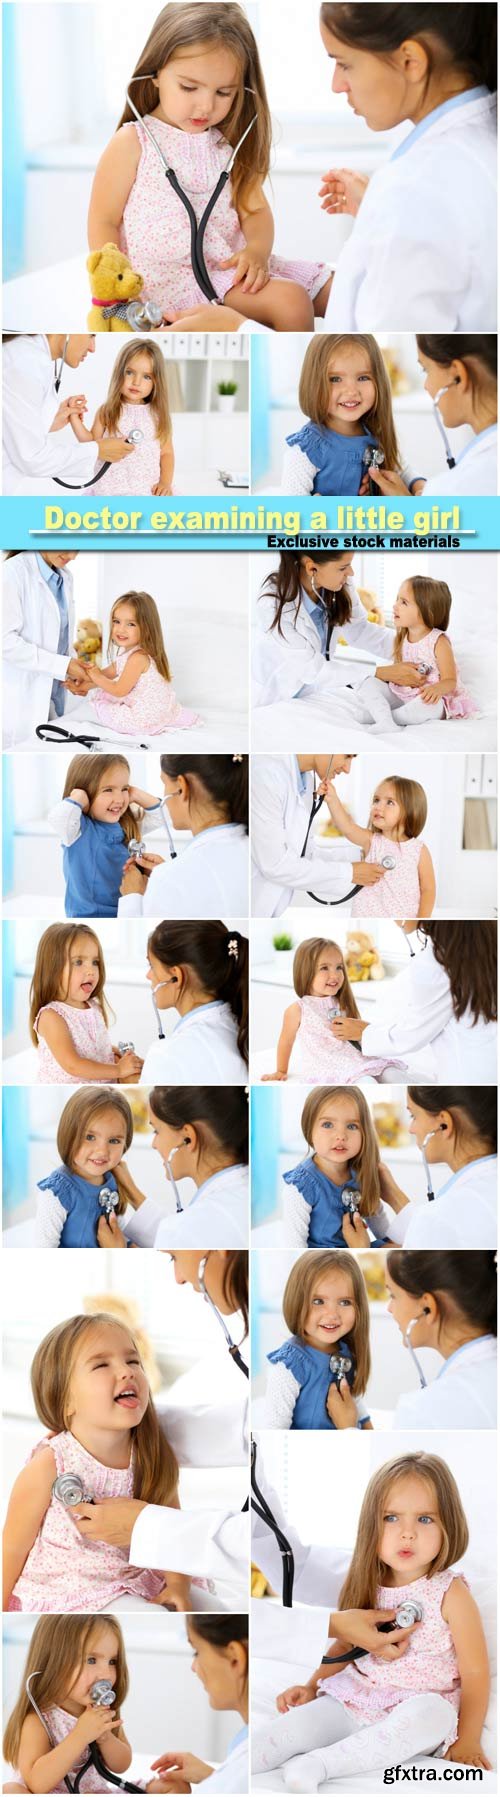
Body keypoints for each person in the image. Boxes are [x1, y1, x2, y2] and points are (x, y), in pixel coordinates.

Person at [89, 2, 331, 331]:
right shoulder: (133, 142)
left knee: (340, 291)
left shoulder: (225, 146)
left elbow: (255, 211)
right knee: (290, 301)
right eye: (189, 87)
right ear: (156, 73)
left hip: (229, 268)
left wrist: (258, 251)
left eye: (224, 92)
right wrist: (115, 286)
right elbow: (104, 219)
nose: (205, 105)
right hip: (174, 283)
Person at [252, 1451, 491, 1783]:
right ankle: (239, 1767)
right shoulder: (366, 1580)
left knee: (434, 1716)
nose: (407, 1533)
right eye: (391, 1518)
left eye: (424, 1519)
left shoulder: (451, 1592)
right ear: (371, 1525)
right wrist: (310, 1686)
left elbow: (475, 1671)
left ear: (448, 1524)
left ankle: (321, 1765)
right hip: (355, 1695)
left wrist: (467, 1739)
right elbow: (344, 1645)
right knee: (287, 1731)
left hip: (416, 1705)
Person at [319, 4, 496, 330]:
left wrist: (240, 328)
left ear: (410, 61)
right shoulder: (477, 141)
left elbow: (386, 344)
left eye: (344, 64)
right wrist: (378, 212)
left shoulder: (415, 186)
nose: (337, 85)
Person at [2, 1312, 190, 1615]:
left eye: (133, 1361)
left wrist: (179, 1585)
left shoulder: (150, 1453)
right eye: (102, 1364)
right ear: (65, 1400)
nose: (127, 1372)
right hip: (73, 1590)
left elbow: (173, 1527)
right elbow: (12, 1546)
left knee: (210, 1605)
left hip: (135, 1578)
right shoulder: (52, 1463)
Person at [332, 922, 497, 1082]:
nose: (395, 920)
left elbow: (412, 1034)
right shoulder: (483, 942)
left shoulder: (436, 961)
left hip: (466, 1075)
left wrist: (365, 1033)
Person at [101, 1086, 249, 1250]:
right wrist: (131, 1191)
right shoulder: (240, 1194)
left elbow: (186, 1235)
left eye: (156, 1131)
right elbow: (182, 1237)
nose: (154, 1144)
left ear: (188, 1138)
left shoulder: (208, 1219)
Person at [2, 1613, 133, 1794]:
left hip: (91, 1792)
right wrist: (80, 1736)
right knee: (12, 1790)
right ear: (54, 1663)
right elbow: (37, 1784)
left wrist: (105, 1738)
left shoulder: (102, 1712)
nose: (105, 1673)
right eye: (91, 1660)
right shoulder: (40, 1719)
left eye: (112, 1661)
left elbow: (122, 1764)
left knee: (171, 1786)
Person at [282, 335, 424, 495]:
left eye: (363, 378)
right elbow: (291, 508)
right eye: (335, 379)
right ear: (314, 383)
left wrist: (419, 488)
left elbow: (403, 471)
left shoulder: (376, 434)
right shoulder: (308, 449)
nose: (351, 391)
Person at [251, 754, 388, 915]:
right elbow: (275, 864)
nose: (347, 769)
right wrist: (350, 873)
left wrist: (361, 856)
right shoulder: (264, 774)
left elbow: (305, 854)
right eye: (347, 757)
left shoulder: (307, 782)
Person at [253, 552, 395, 708]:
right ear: (312, 568)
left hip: (315, 694)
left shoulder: (338, 583)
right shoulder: (273, 603)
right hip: (277, 698)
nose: (351, 573)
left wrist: (411, 644)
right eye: (343, 567)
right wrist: (381, 672)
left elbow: (359, 630)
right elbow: (311, 670)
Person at [119, 754, 249, 918]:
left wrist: (132, 898)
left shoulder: (169, 877)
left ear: (182, 787)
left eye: (164, 783)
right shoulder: (250, 848)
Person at [261, 936, 404, 1083]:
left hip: (355, 1059)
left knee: (393, 1073)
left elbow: (357, 1033)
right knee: (366, 1081)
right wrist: (281, 1070)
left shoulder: (342, 1002)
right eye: (324, 968)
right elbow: (286, 1041)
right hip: (327, 1066)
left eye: (339, 967)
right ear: (305, 971)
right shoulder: (298, 1009)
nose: (334, 975)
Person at [371, 336, 498, 498]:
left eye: (426, 370)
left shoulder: (453, 489)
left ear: (457, 376)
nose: (426, 386)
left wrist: (410, 511)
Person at [377, 1086, 497, 1251]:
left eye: (414, 1116)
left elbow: (440, 1230)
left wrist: (360, 1246)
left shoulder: (443, 1215)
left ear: (444, 1124)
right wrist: (393, 1196)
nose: (411, 1129)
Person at [386, 1250, 497, 1429]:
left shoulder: (423, 1410)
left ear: (428, 1307)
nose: (389, 1308)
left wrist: (348, 1426)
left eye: (393, 1295)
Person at [264, 1249, 372, 1430]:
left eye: (345, 1302)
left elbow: (354, 1402)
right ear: (297, 1301)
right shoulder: (289, 1367)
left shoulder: (346, 1351)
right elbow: (275, 1429)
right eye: (318, 1301)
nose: (332, 1314)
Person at [278, 1085, 395, 1250]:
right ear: (308, 1128)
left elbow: (385, 1234)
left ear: (365, 1133)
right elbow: (294, 1246)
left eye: (352, 1126)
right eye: (327, 1125)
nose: (341, 1136)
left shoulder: (363, 1173)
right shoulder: (300, 1187)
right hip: (323, 1259)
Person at [49, 753, 162, 918]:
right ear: (86, 792)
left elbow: (163, 816)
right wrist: (78, 797)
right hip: (92, 916)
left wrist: (136, 793)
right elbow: (58, 817)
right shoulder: (76, 830)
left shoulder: (126, 823)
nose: (119, 799)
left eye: (124, 789)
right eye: (108, 790)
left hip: (129, 910)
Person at [358, 574, 476, 732]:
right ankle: (385, 720)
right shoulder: (402, 637)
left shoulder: (439, 641)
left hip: (430, 698)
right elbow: (400, 671)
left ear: (428, 611)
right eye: (397, 599)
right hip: (404, 694)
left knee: (426, 706)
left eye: (404, 602)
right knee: (367, 682)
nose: (395, 606)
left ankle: (384, 717)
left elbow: (450, 680)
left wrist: (436, 689)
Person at [29, 922, 142, 1085]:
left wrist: (116, 1053)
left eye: (95, 962)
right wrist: (118, 1070)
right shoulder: (51, 1016)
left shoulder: (93, 1006)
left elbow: (91, 1047)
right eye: (78, 962)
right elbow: (73, 1065)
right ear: (53, 968)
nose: (91, 970)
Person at [77, 591, 201, 737]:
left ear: (146, 628)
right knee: (104, 689)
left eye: (131, 624)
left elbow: (118, 690)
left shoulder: (138, 658)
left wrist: (95, 676)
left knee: (104, 701)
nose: (121, 629)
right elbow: (105, 676)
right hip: (158, 711)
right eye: (116, 621)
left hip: (144, 719)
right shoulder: (131, 654)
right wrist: (82, 685)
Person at [148, 1615, 249, 1793]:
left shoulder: (248, 1755)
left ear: (235, 1658)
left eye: (197, 1651)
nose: (194, 1667)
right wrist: (214, 1778)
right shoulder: (246, 1744)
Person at [141, 921, 248, 1083]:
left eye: (152, 966)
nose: (148, 975)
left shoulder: (166, 1054)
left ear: (176, 977)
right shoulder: (240, 1026)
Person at [2, 551, 88, 746]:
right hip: (23, 701)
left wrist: (74, 671)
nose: (73, 556)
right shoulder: (12, 573)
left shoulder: (65, 577)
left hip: (55, 696)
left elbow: (61, 639)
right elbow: (5, 642)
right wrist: (64, 666)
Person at [68, 340, 174, 496]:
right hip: (109, 492)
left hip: (145, 492)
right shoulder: (108, 411)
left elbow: (167, 454)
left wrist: (165, 483)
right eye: (129, 372)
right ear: (119, 373)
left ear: (156, 381)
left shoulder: (158, 416)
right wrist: (74, 418)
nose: (136, 382)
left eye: (146, 377)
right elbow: (91, 444)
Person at [2, 335, 105, 494]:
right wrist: (98, 451)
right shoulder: (25, 360)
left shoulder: (34, 357)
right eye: (91, 336)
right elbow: (32, 458)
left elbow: (9, 426)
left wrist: (47, 421)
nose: (93, 348)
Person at [35, 1088, 135, 1250]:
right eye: (90, 1137)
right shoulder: (56, 1194)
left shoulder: (113, 1179)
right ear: (69, 1133)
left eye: (114, 1140)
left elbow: (119, 1230)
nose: (102, 1151)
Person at [325, 775, 436, 918]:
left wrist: (421, 919)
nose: (378, 807)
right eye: (376, 800)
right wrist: (332, 799)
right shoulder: (371, 841)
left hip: (401, 921)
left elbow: (428, 889)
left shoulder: (418, 850)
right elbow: (347, 828)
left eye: (389, 802)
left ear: (410, 811)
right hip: (367, 918)